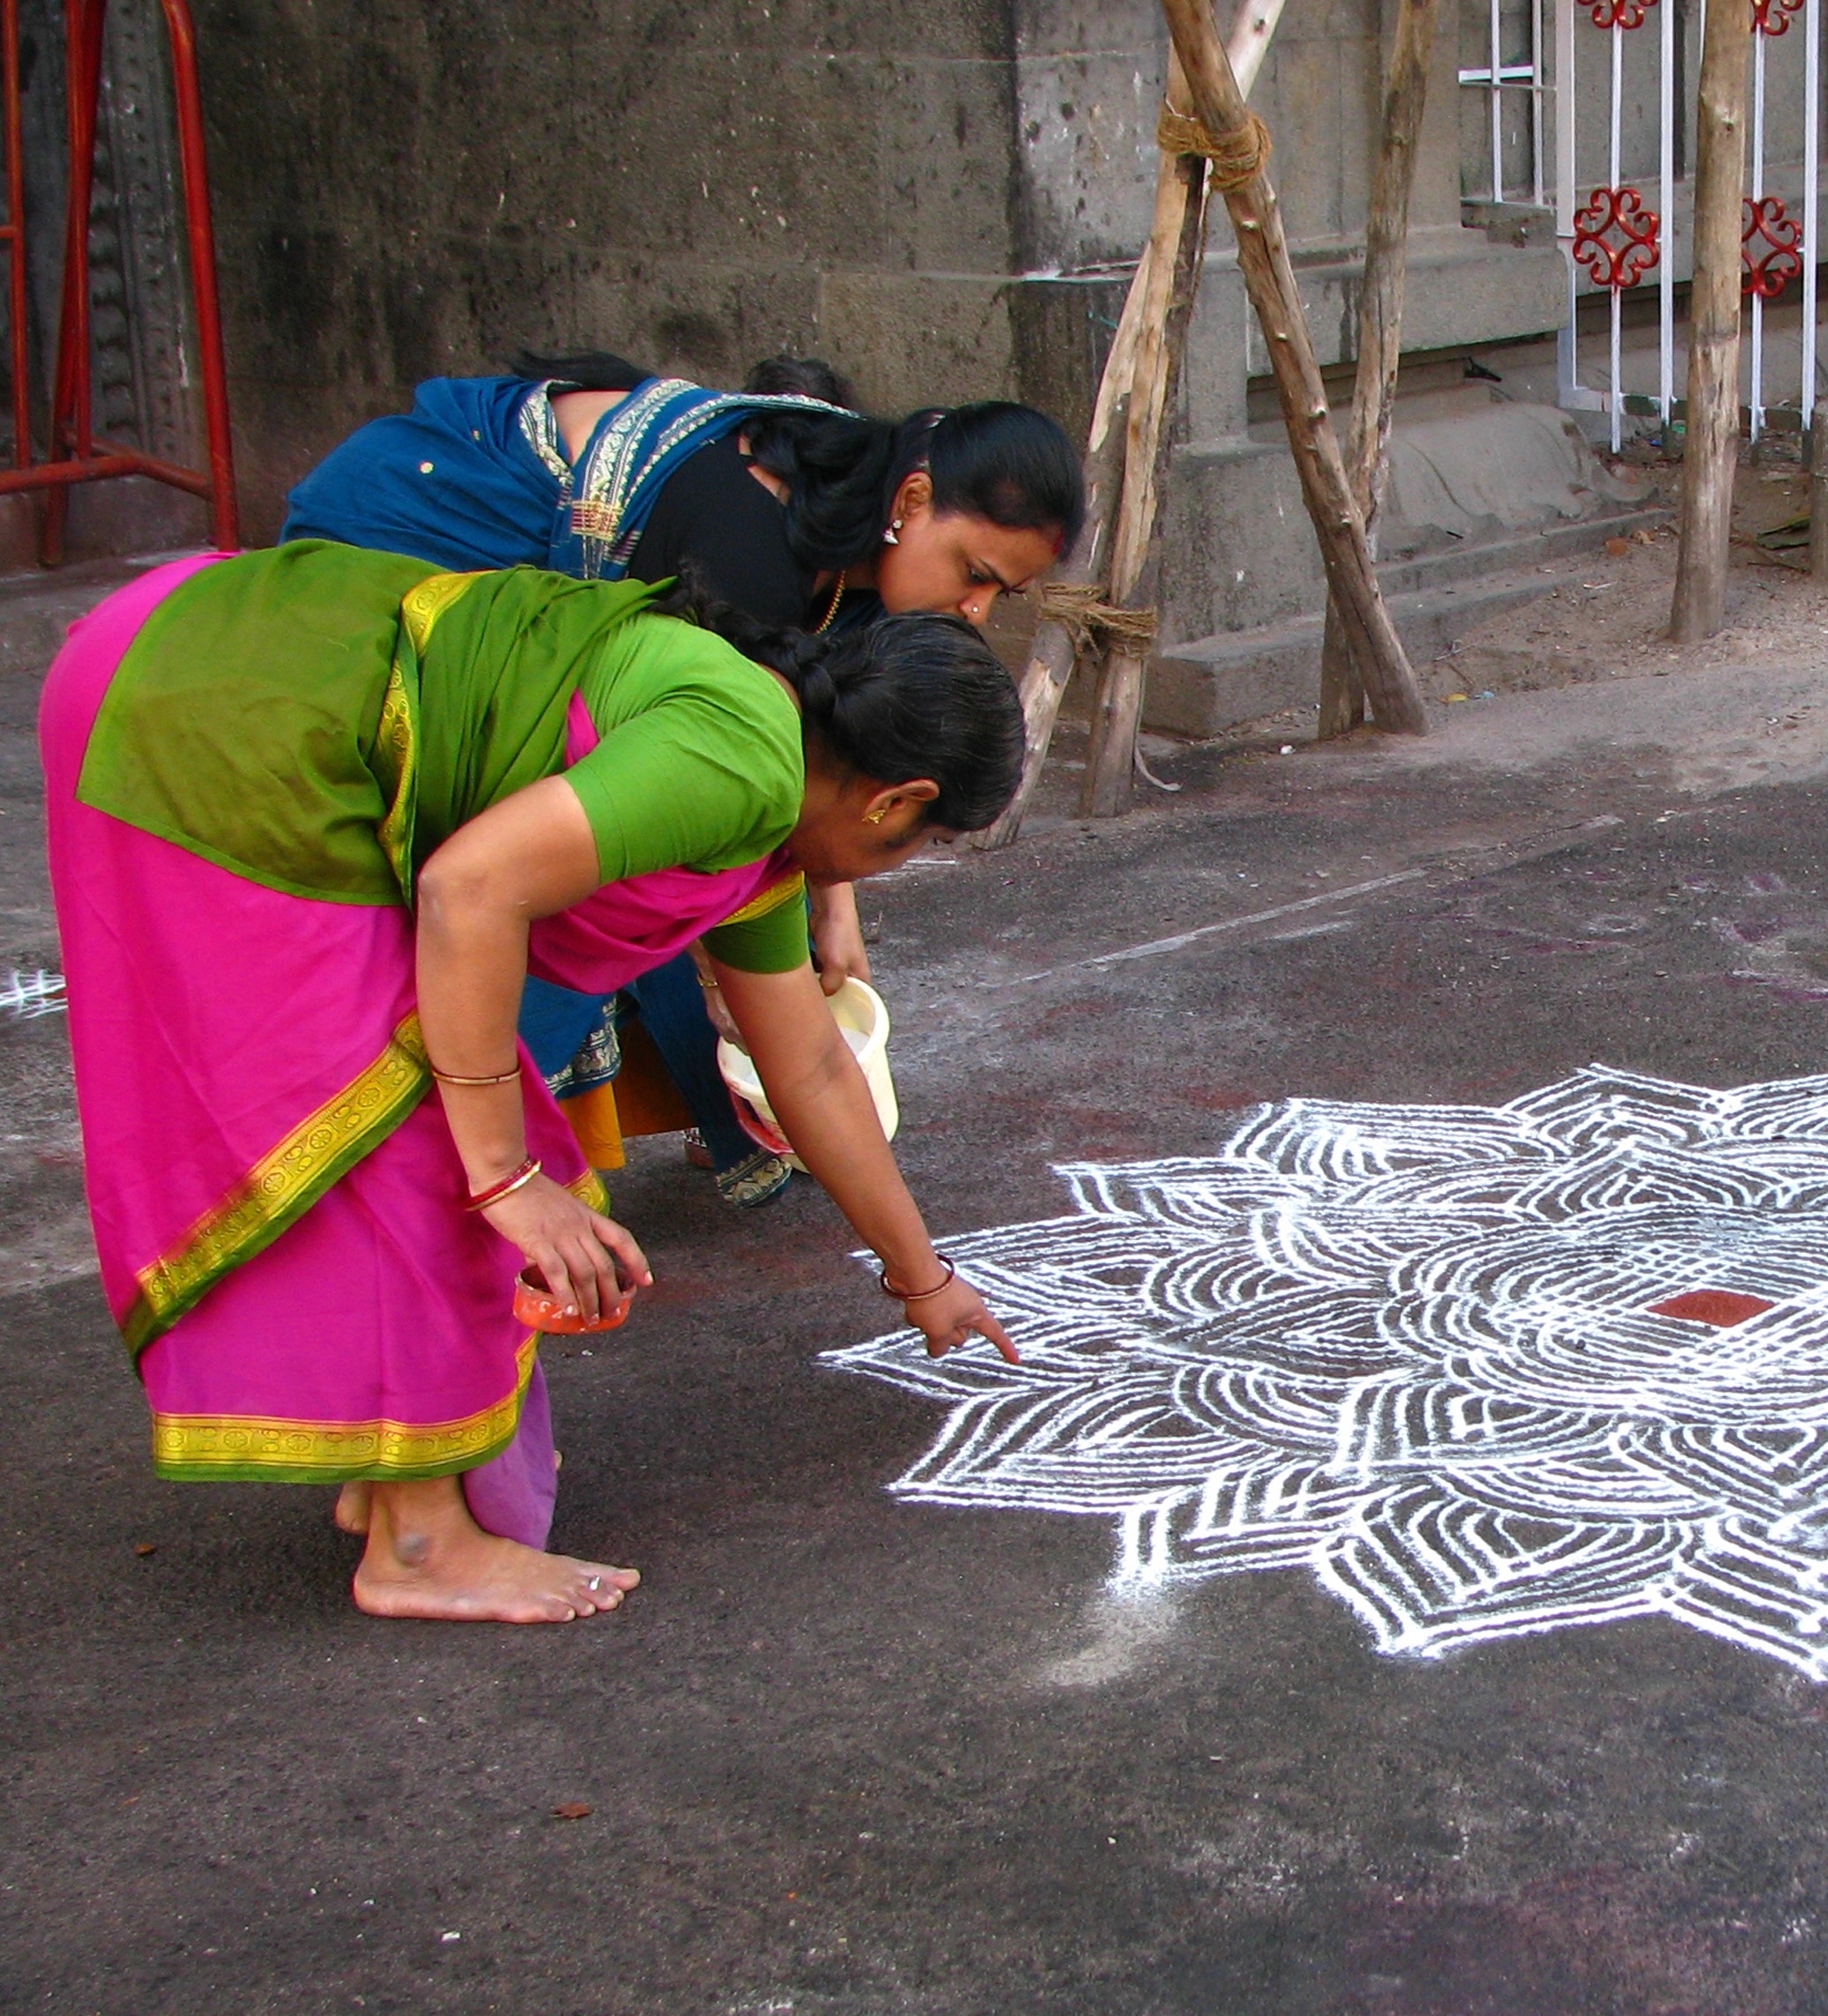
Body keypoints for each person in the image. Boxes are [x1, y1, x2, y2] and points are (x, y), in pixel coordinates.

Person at [43, 539, 1022, 1623]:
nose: (869, 879)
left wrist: (923, 1278)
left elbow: (811, 1066)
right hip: (222, 703)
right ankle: (419, 1541)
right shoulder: (740, 760)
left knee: (432, 1119)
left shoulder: (763, 807)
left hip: (213, 660)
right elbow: (470, 890)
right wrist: (505, 1178)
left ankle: (392, 1470)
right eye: (908, 848)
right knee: (432, 1143)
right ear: (897, 800)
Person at [285, 354, 1081, 1207]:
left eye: (1005, 593)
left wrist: (834, 905)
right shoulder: (746, 555)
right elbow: (715, 827)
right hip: (407, 546)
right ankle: (435, 1168)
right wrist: (731, 982)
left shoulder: (861, 563)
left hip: (589, 682)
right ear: (913, 500)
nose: (976, 613)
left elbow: (822, 776)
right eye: (974, 575)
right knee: (574, 885)